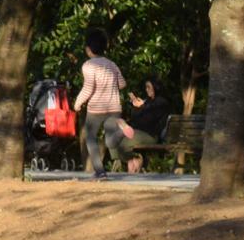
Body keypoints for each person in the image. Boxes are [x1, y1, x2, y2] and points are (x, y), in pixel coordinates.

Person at [74, 27, 131, 178]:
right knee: (111, 141)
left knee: (90, 137)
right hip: (114, 107)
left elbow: (88, 87)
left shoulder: (88, 66)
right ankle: (120, 131)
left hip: (96, 109)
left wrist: (77, 103)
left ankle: (100, 172)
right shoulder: (112, 65)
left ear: (88, 49)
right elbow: (122, 84)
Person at [125, 76, 173, 173]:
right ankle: (133, 168)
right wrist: (136, 107)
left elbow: (149, 120)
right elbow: (136, 119)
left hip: (152, 135)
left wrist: (142, 107)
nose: (147, 90)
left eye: (149, 87)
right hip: (140, 133)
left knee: (127, 139)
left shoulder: (161, 102)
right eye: (146, 87)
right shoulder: (148, 101)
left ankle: (135, 167)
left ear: (156, 87)